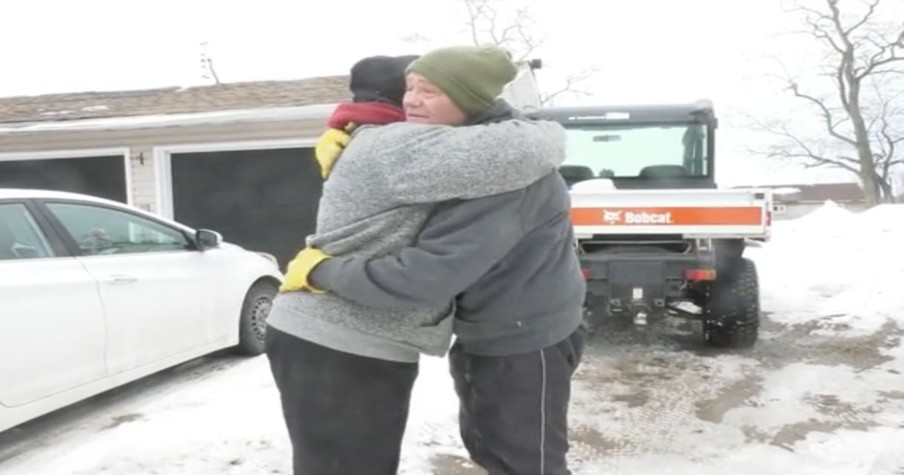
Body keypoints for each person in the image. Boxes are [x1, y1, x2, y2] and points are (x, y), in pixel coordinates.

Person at [283, 47, 587, 475]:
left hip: (525, 341)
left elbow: (426, 275)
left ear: (470, 99)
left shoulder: (508, 169)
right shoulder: (464, 152)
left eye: (431, 91)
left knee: (526, 463)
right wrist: (360, 125)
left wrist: (320, 269)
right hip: (487, 335)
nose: (412, 101)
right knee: (496, 456)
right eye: (409, 88)